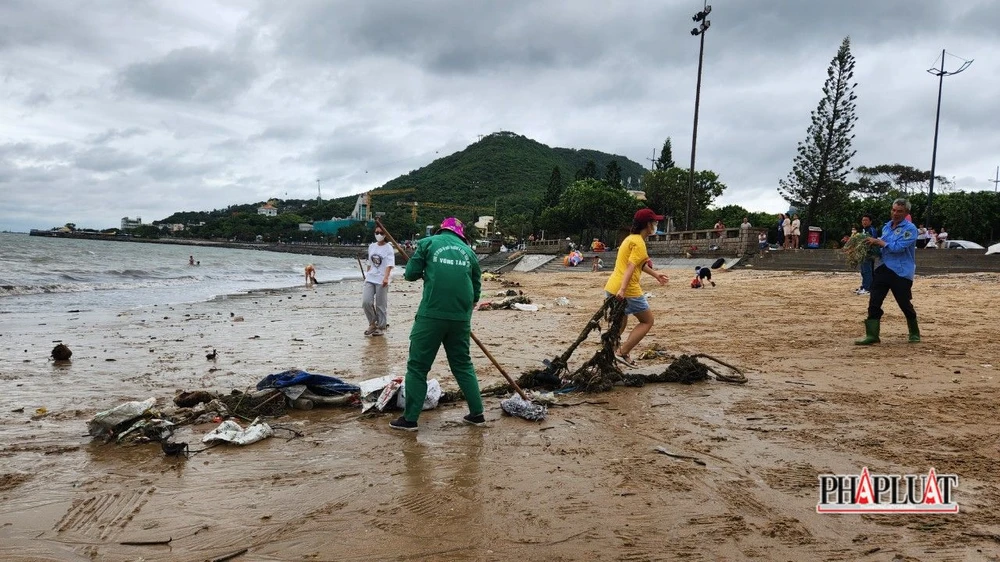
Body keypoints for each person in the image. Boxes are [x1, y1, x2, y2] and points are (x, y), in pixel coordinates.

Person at [390, 218, 485, 431]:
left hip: (431, 315)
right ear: (460, 234)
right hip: (461, 318)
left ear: (441, 229)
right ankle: (477, 413)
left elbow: (410, 275)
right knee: (463, 365)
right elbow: (476, 289)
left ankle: (410, 419)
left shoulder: (428, 243)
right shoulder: (469, 253)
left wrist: (423, 271)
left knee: (417, 367)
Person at [604, 208, 670, 368]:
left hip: (612, 286)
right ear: (647, 224)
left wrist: (655, 274)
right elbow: (630, 266)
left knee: (620, 325)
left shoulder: (630, 239)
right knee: (647, 321)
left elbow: (639, 264)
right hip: (628, 290)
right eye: (654, 222)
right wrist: (623, 289)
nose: (655, 224)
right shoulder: (639, 243)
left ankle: (608, 357)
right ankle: (622, 352)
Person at [855, 198, 920, 345]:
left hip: (901, 271)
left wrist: (878, 242)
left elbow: (898, 248)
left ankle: (914, 332)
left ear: (906, 213)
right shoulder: (886, 227)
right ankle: (872, 335)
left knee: (904, 303)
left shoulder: (910, 229)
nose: (895, 213)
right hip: (884, 268)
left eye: (900, 211)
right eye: (894, 210)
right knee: (874, 301)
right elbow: (882, 250)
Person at [362, 226, 395, 336]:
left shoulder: (388, 247)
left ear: (385, 234)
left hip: (382, 279)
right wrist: (367, 275)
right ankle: (372, 323)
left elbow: (389, 264)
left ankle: (381, 326)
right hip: (371, 278)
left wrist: (386, 277)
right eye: (376, 232)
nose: (378, 234)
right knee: (366, 302)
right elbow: (369, 262)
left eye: (381, 232)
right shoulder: (372, 246)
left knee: (381, 304)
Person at [856, 214, 877, 295]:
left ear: (870, 221)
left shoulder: (871, 230)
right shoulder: (864, 230)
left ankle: (867, 288)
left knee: (867, 270)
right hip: (863, 253)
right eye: (863, 220)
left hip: (869, 253)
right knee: (864, 271)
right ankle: (865, 286)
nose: (864, 222)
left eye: (866, 220)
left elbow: (873, 241)